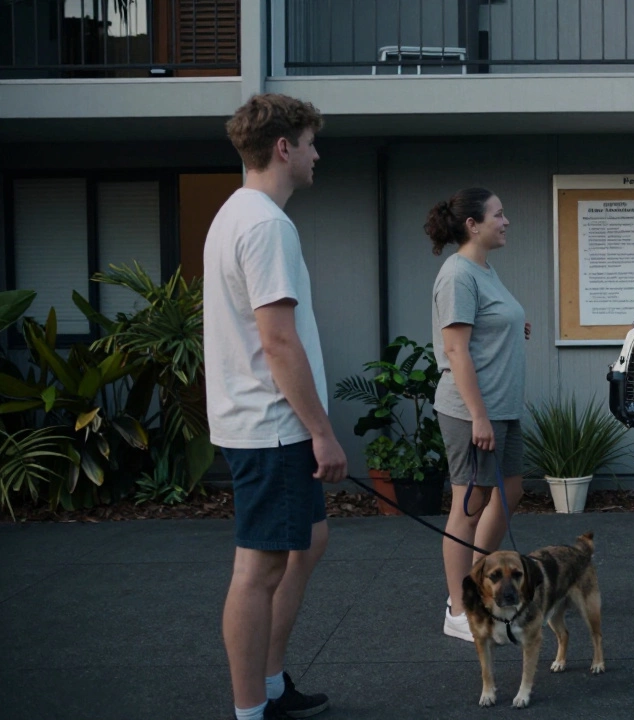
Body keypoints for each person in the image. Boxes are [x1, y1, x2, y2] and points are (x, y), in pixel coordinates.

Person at [206, 93, 341, 720]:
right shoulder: (264, 224)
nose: (317, 154)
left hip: (260, 422)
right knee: (258, 570)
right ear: (284, 148)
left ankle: (271, 682)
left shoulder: (238, 214)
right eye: (310, 142)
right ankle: (250, 709)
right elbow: (278, 340)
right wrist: (322, 431)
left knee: (308, 542)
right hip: (273, 426)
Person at [427, 187, 530, 643]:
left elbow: (487, 322)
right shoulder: (458, 274)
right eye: (498, 214)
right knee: (467, 507)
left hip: (501, 406)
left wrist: (513, 324)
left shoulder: (484, 269)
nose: (505, 221)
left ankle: (478, 584)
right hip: (473, 410)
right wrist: (479, 417)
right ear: (473, 224)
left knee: (511, 490)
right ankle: (458, 607)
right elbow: (454, 348)